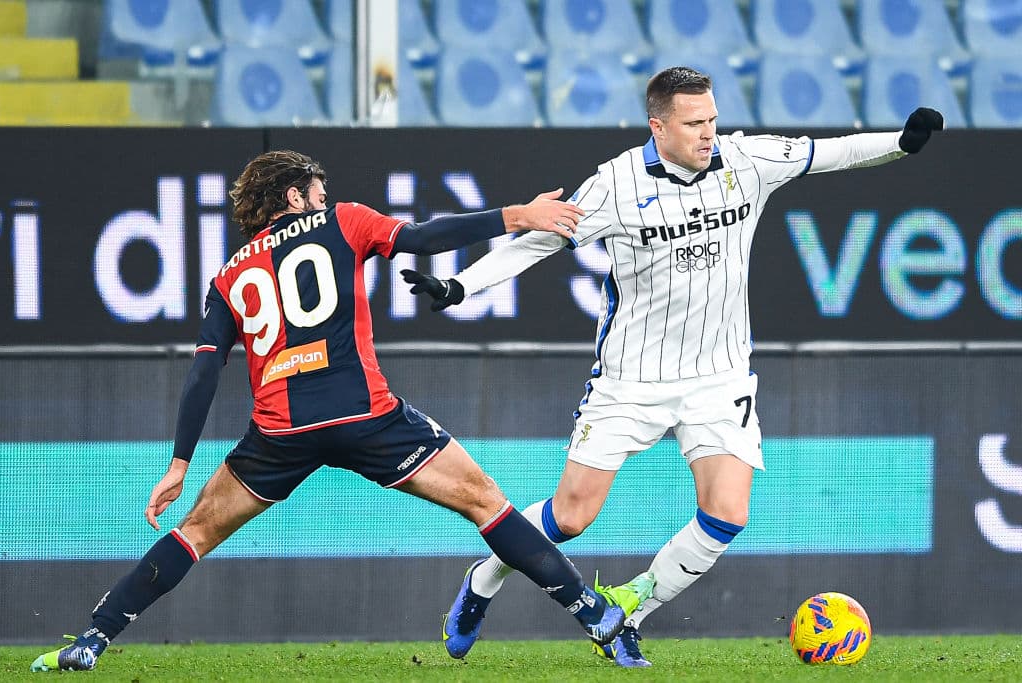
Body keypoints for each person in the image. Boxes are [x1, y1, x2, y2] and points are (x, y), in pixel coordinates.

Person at [402, 66, 944, 668]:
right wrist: (460, 285)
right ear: (658, 126)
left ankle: (629, 613)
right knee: (571, 516)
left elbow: (829, 154)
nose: (708, 133)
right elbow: (540, 240)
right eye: (694, 124)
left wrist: (900, 143)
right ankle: (485, 577)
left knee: (728, 512)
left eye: (712, 119)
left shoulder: (748, 161)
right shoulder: (615, 184)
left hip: (720, 374)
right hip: (632, 376)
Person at [30, 150, 652, 672]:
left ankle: (92, 639)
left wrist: (179, 461)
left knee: (192, 533)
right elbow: (424, 239)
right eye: (319, 191)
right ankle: (595, 617)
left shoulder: (228, 275)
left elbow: (202, 372)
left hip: (280, 434)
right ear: (296, 196)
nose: (327, 198)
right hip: (366, 418)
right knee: (487, 504)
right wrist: (518, 215)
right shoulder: (344, 222)